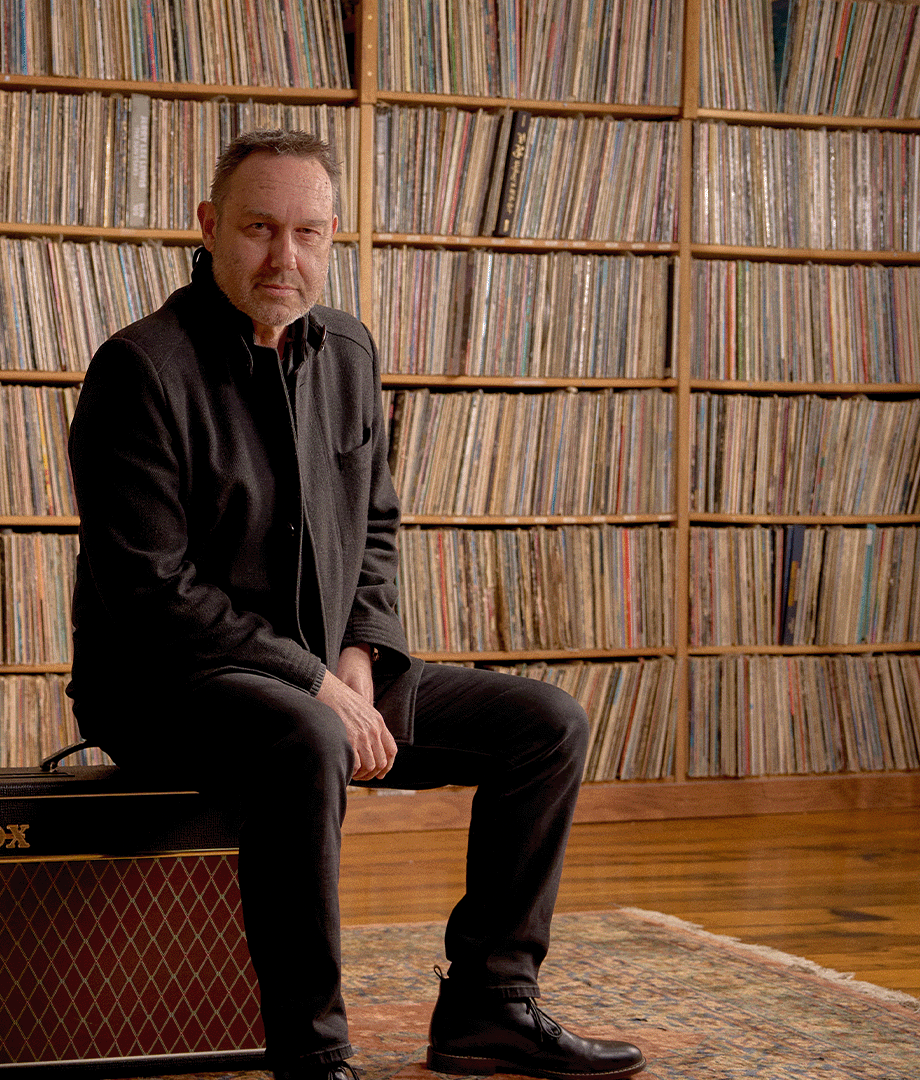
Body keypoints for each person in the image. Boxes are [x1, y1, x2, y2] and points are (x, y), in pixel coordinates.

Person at [65, 129, 646, 1080]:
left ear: (333, 238)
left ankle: (489, 1005)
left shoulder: (349, 350)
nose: (284, 257)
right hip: (168, 686)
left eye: (308, 232)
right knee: (311, 738)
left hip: (325, 674)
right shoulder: (140, 370)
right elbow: (149, 587)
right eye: (258, 228)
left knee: (546, 723)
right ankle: (314, 1053)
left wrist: (357, 660)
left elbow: (376, 523)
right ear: (209, 228)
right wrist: (312, 685)